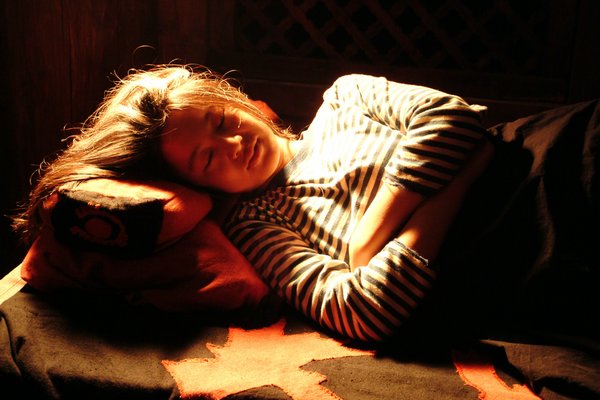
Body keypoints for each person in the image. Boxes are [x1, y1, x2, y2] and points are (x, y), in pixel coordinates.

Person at [12, 65, 597, 342]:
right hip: (518, 246)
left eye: (222, 121)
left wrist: (370, 237)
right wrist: (459, 180)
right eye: (208, 160)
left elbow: (450, 118)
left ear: (235, 99)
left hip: (546, 154)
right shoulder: (258, 225)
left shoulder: (345, 98)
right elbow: (362, 310)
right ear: (197, 185)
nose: (234, 144)